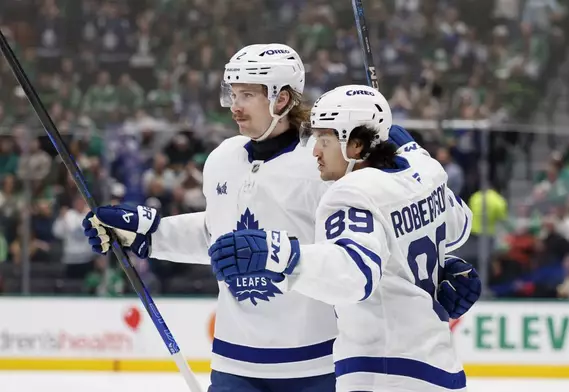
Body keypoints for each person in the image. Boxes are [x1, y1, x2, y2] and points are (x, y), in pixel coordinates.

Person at [82, 44, 339, 392]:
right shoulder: (223, 159)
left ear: (282, 100)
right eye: (232, 93)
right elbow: (214, 234)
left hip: (316, 363)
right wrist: (150, 234)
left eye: (247, 95)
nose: (235, 106)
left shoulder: (321, 162)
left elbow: (344, 258)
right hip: (234, 361)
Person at [209, 85, 480, 392]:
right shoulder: (424, 172)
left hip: (383, 373)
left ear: (357, 145)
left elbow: (354, 275)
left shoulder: (354, 192)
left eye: (325, 139)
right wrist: (412, 151)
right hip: (441, 369)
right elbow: (459, 225)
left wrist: (277, 254)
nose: (315, 151)